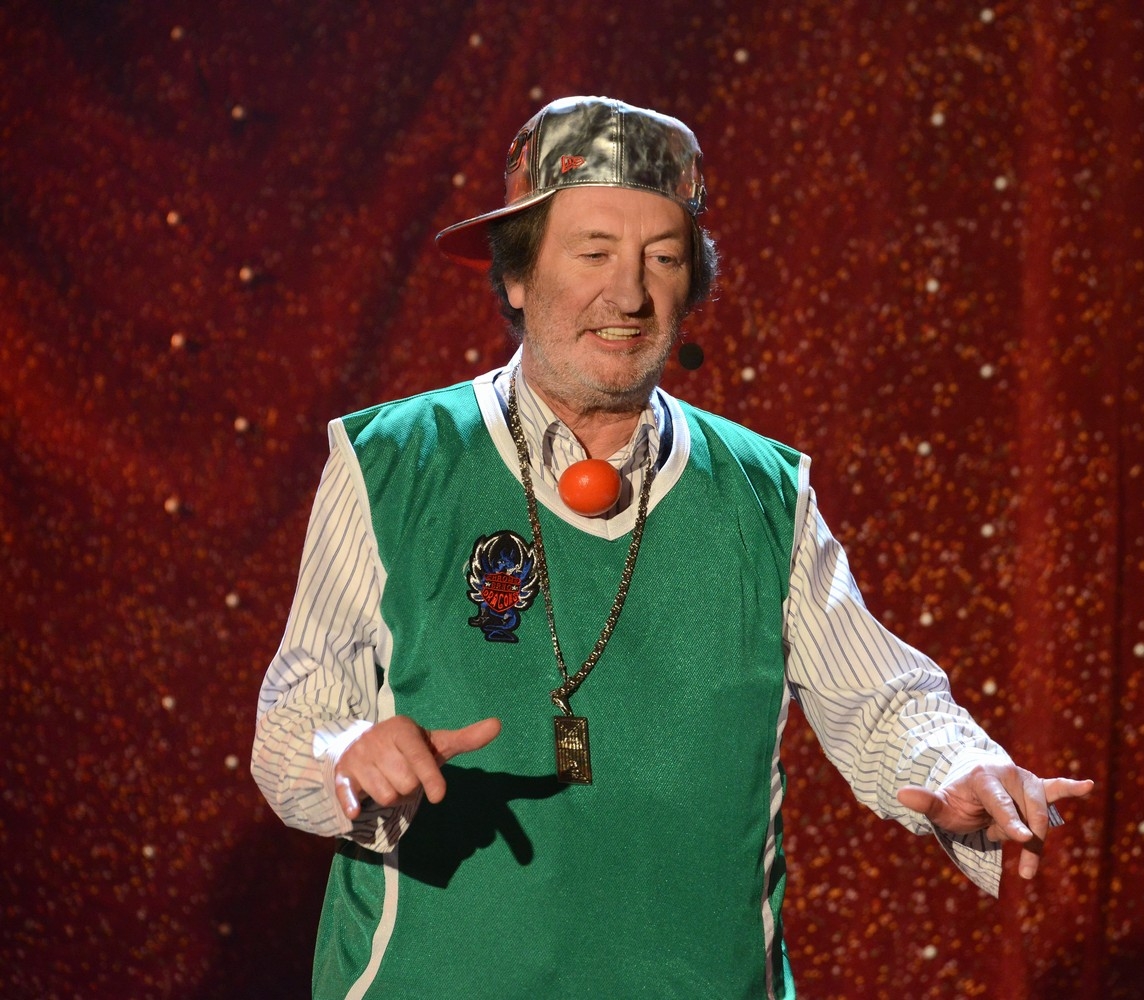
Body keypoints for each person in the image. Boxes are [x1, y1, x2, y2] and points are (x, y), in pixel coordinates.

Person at [252, 95, 1093, 1000]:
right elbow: (293, 723)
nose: (629, 295)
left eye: (662, 258)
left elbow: (881, 701)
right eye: (594, 253)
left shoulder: (766, 492)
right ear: (518, 275)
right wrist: (346, 754)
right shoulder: (389, 462)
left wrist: (956, 766)